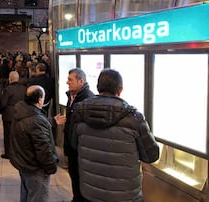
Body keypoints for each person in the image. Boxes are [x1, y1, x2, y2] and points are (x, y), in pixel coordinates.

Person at [71, 69, 159, 201]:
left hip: (90, 192)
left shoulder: (79, 112)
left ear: (98, 87)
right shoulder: (133, 118)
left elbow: (74, 144)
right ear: (120, 90)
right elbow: (151, 155)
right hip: (124, 196)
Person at [9, 85, 58, 202]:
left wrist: (52, 121)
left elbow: (30, 130)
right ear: (40, 99)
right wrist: (52, 167)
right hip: (36, 169)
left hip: (24, 164)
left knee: (26, 195)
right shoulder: (35, 120)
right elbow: (44, 151)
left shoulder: (21, 110)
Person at [63, 68, 94, 202]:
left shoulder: (87, 99)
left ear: (81, 81)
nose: (67, 82)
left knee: (81, 179)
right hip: (72, 147)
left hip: (80, 149)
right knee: (74, 176)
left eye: (70, 80)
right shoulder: (72, 96)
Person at [0, 71, 26, 159]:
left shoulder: (8, 89)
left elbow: (3, 103)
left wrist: (0, 111)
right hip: (21, 114)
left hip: (8, 115)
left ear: (10, 79)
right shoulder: (24, 89)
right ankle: (19, 152)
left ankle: (9, 153)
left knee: (8, 135)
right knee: (20, 135)